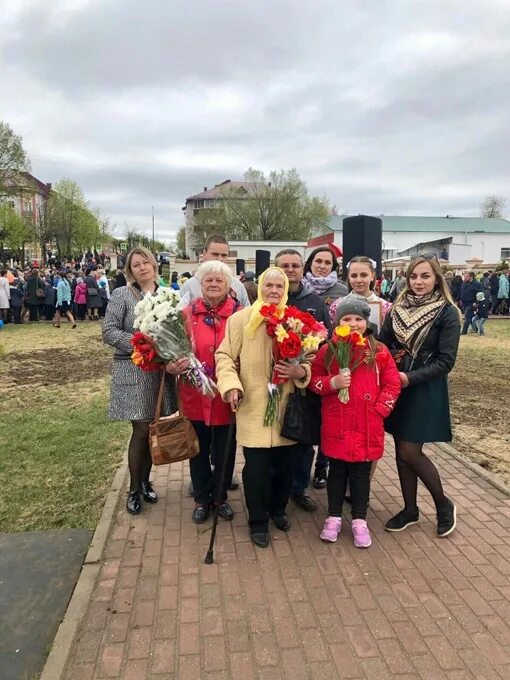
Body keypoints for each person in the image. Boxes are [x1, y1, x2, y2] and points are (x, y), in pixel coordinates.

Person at [215, 267, 312, 548]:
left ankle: (278, 509)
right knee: (255, 469)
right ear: (260, 288)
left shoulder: (295, 321)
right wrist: (231, 385)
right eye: (268, 285)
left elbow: (313, 357)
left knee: (286, 467)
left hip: (286, 408)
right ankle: (258, 520)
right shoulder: (240, 321)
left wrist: (300, 372)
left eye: (279, 286)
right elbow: (224, 356)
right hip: (254, 405)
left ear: (285, 290)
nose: (273, 291)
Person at [378, 255, 461, 537]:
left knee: (409, 451)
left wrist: (409, 377)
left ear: (437, 278)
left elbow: (446, 360)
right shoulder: (398, 307)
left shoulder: (447, 312)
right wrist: (387, 364)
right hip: (395, 385)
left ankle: (443, 504)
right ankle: (410, 510)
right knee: (402, 452)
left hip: (423, 388)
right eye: (414, 276)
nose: (419, 282)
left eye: (425, 276)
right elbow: (385, 342)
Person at [309, 297, 401, 547]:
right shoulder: (329, 350)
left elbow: (392, 383)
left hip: (367, 423)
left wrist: (380, 409)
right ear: (337, 322)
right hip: (337, 422)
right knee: (337, 473)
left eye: (358, 319)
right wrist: (332, 383)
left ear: (367, 321)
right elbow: (314, 380)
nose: (353, 324)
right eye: (346, 319)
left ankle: (360, 519)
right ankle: (334, 517)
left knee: (361, 475)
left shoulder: (378, 351)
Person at [103, 246, 177, 515]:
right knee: (141, 430)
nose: (142, 268)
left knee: (152, 430)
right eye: (136, 265)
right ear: (129, 270)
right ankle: (134, 489)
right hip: (133, 370)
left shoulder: (167, 294)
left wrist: (170, 349)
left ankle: (145, 482)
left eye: (146, 262)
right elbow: (109, 330)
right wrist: (138, 345)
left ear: (154, 264)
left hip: (159, 372)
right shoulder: (122, 295)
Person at [166, 261, 242, 524]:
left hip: (225, 395)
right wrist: (172, 364)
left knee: (225, 449)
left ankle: (220, 497)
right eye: (208, 280)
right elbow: (172, 349)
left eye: (219, 281)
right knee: (197, 448)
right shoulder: (186, 314)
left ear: (228, 285)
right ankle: (201, 497)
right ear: (200, 283)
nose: (213, 284)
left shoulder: (239, 315)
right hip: (194, 393)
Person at [275, 248, 332, 513]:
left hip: (304, 381)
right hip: (274, 381)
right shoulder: (270, 298)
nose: (290, 270)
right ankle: (275, 488)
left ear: (302, 268)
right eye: (284, 265)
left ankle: (298, 488)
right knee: (275, 437)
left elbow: (324, 340)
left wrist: (304, 366)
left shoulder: (315, 301)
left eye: (295, 265)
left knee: (304, 439)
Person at [180, 235, 250, 307]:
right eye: (215, 254)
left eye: (224, 255)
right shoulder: (189, 287)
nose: (220, 259)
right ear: (204, 254)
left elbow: (248, 315)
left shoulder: (238, 286)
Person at [330, 256, 392, 334]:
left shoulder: (387, 307)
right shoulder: (337, 305)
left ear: (372, 276)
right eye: (354, 276)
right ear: (348, 277)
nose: (358, 280)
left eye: (364, 275)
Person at [302, 246, 348, 318]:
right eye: (318, 261)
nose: (322, 266)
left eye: (327, 263)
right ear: (310, 263)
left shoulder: (344, 291)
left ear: (333, 266)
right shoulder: (298, 287)